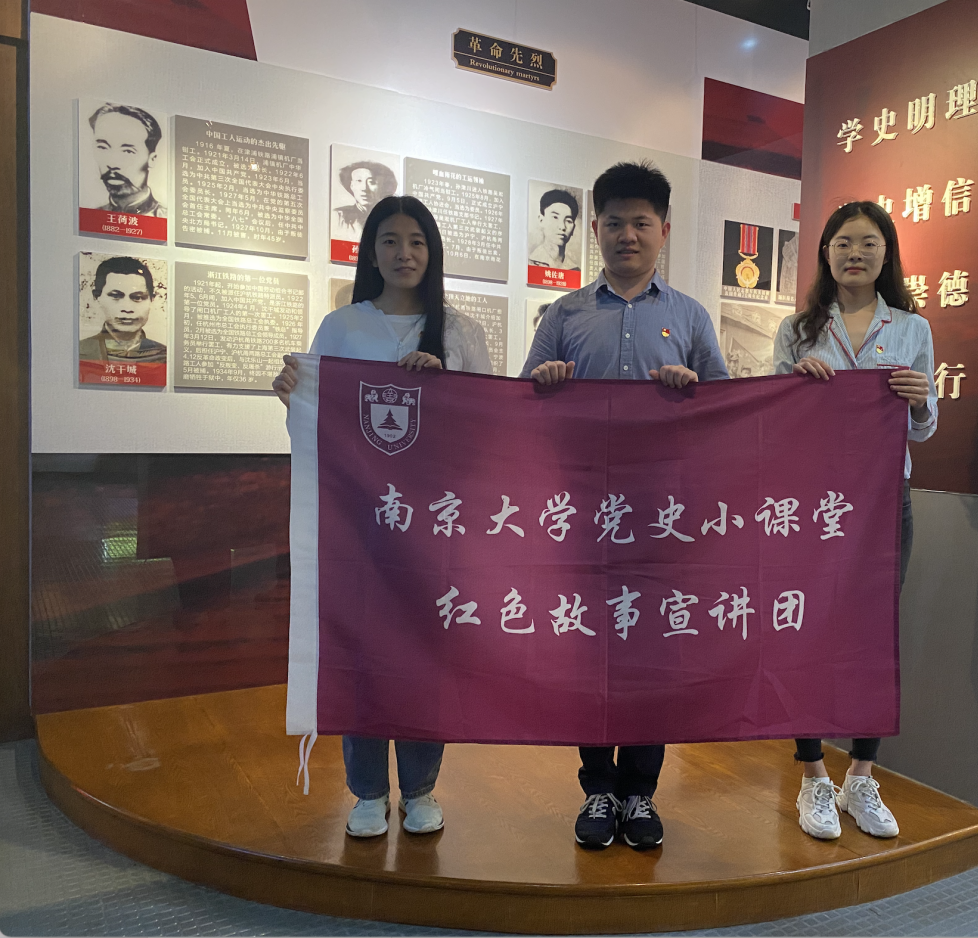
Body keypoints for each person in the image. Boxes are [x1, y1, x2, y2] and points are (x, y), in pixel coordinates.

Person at [522, 160, 729, 851]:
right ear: (596, 230)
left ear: (664, 230)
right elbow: (520, 407)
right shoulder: (564, 314)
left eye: (641, 222)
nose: (627, 235)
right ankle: (598, 788)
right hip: (584, 512)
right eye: (614, 222)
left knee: (652, 653)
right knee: (591, 652)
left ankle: (640, 791)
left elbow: (725, 413)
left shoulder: (689, 316)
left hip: (662, 515)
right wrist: (546, 384)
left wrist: (692, 391)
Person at [273, 195, 491, 838]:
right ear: (371, 251)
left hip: (433, 526)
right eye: (390, 240)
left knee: (425, 655)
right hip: (358, 524)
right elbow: (319, 424)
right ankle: (366, 791)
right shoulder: (343, 327)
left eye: (417, 241)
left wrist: (442, 386)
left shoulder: (460, 332)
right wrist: (293, 399)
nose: (404, 253)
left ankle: (421, 788)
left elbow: (487, 429)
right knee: (360, 651)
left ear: (433, 251)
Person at [772, 200, 936, 842]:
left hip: (884, 501)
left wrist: (920, 402)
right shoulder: (798, 329)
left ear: (886, 253)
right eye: (843, 243)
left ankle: (861, 776)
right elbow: (772, 419)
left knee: (875, 636)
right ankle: (813, 775)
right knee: (805, 630)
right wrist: (795, 387)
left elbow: (922, 428)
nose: (855, 254)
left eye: (868, 243)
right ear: (826, 253)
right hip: (814, 503)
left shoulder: (912, 328)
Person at [79, 255, 166, 364]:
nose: (127, 308)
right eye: (116, 296)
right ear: (96, 297)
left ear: (152, 299)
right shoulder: (80, 351)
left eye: (138, 297)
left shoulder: (164, 356)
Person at [88, 103, 166, 217]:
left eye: (128, 151)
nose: (112, 164)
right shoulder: (92, 217)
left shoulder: (168, 218)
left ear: (152, 159)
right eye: (103, 148)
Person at [332, 161, 398, 241]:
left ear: (382, 187)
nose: (364, 188)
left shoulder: (391, 219)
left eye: (372, 182)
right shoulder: (339, 216)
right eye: (359, 181)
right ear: (352, 185)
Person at [528, 188, 580, 270]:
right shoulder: (530, 263)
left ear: (573, 228)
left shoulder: (575, 270)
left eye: (568, 221)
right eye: (555, 217)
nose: (562, 227)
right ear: (541, 220)